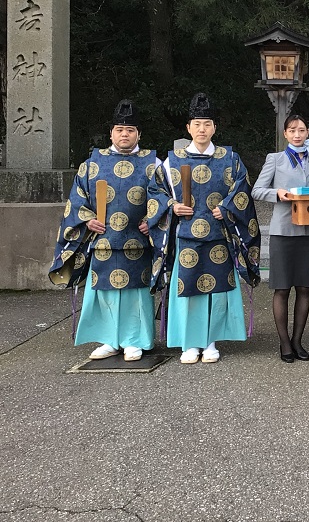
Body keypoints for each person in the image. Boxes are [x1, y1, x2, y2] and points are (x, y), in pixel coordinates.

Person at [146, 93, 260, 364]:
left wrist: (228, 208)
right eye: (197, 124)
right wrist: (172, 206)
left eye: (207, 124)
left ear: (214, 128)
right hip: (185, 236)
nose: (202, 129)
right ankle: (189, 342)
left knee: (216, 291)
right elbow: (155, 191)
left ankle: (210, 341)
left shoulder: (230, 159)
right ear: (188, 128)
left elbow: (242, 188)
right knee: (188, 292)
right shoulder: (172, 160)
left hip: (218, 235)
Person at [48, 100, 157, 361]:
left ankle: (135, 340)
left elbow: (163, 196)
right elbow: (77, 198)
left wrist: (152, 219)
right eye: (119, 129)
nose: (124, 135)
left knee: (135, 294)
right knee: (104, 292)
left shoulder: (154, 163)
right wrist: (86, 220)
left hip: (138, 239)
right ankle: (108, 340)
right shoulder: (92, 163)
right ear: (111, 133)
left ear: (138, 134)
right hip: (103, 239)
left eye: (130, 130)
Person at [251, 114, 309, 363]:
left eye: (302, 130)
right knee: (282, 288)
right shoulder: (276, 159)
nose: (297, 134)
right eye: (292, 130)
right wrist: (278, 193)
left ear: (307, 132)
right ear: (285, 134)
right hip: (283, 229)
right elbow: (257, 190)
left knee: (304, 287)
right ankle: (284, 343)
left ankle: (298, 340)